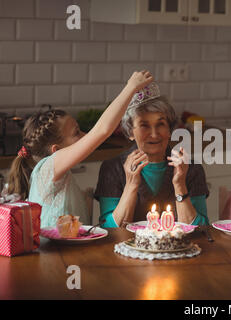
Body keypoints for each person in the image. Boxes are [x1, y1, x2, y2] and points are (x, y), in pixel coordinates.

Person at [7, 71, 154, 228]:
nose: (85, 136)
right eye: (76, 132)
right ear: (56, 151)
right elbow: (101, 131)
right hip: (51, 252)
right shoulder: (48, 167)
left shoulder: (61, 175)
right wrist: (131, 87)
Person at [94, 93, 209, 228]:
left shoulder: (191, 168)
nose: (154, 134)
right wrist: (131, 185)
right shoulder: (113, 168)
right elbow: (109, 229)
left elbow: (201, 228)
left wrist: (180, 185)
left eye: (160, 124)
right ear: (130, 132)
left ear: (170, 130)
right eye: (144, 125)